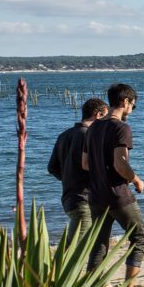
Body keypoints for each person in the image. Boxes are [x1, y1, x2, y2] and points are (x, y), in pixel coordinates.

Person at [82, 83, 144, 287]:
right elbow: (121, 163)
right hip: (117, 195)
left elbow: (85, 164)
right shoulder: (121, 128)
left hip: (96, 195)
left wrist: (102, 169)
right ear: (125, 102)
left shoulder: (93, 128)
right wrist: (136, 179)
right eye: (132, 106)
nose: (131, 111)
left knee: (100, 244)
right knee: (138, 238)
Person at [48, 97, 108, 244]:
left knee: (79, 245)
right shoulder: (91, 136)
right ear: (98, 115)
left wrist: (69, 177)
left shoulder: (64, 135)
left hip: (69, 198)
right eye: (105, 117)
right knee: (74, 250)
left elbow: (52, 167)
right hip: (84, 199)